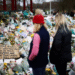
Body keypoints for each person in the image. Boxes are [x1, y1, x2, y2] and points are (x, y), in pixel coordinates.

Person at [28, 9, 50, 75]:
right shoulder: (46, 32)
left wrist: (30, 58)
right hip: (44, 61)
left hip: (37, 63)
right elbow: (48, 47)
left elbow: (34, 52)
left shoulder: (37, 35)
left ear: (36, 24)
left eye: (34, 23)